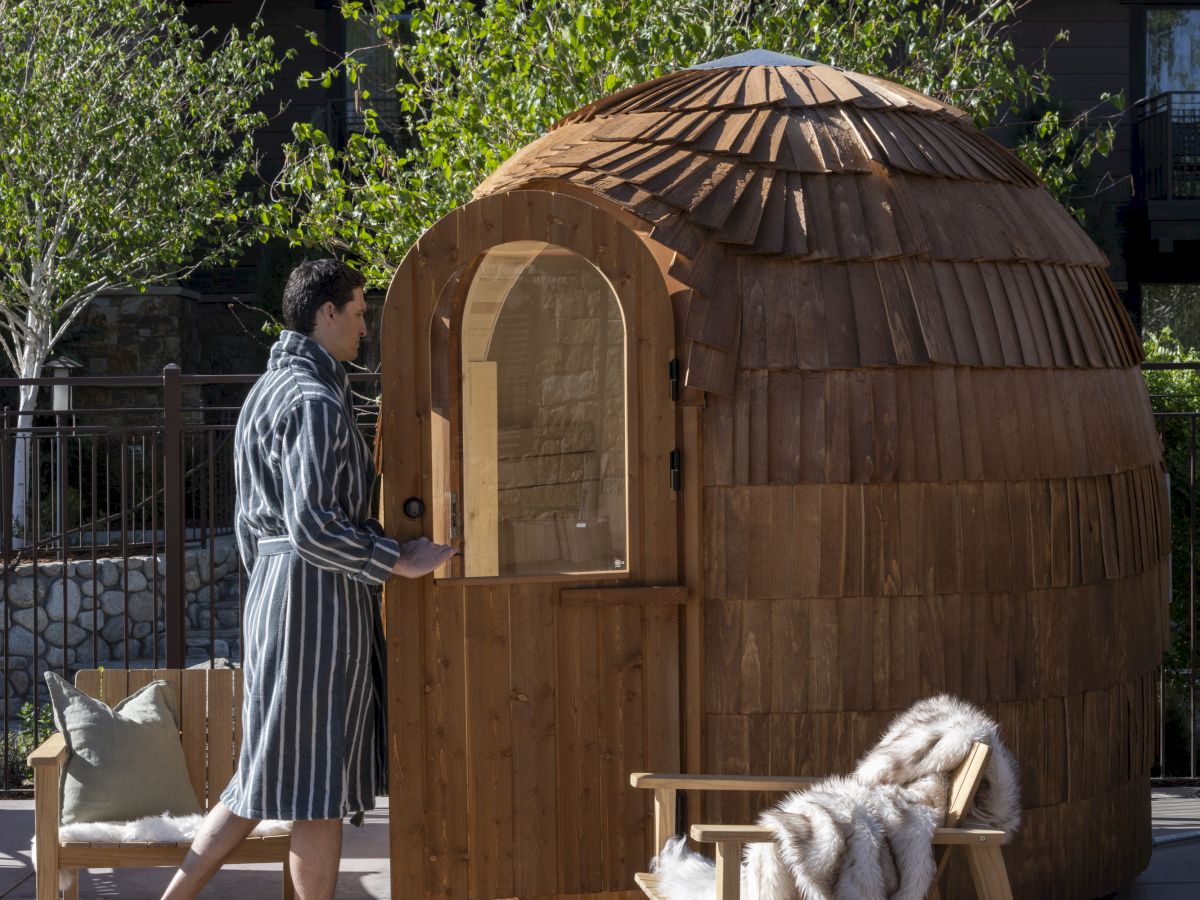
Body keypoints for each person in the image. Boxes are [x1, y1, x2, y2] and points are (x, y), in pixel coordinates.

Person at [162, 259, 455, 900]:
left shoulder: (265, 393)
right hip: (312, 608)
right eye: (357, 312)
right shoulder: (314, 400)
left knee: (263, 779)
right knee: (313, 790)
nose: (364, 329)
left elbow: (252, 530)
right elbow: (313, 527)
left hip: (276, 598)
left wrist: (277, 588)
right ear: (326, 313)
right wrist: (396, 560)